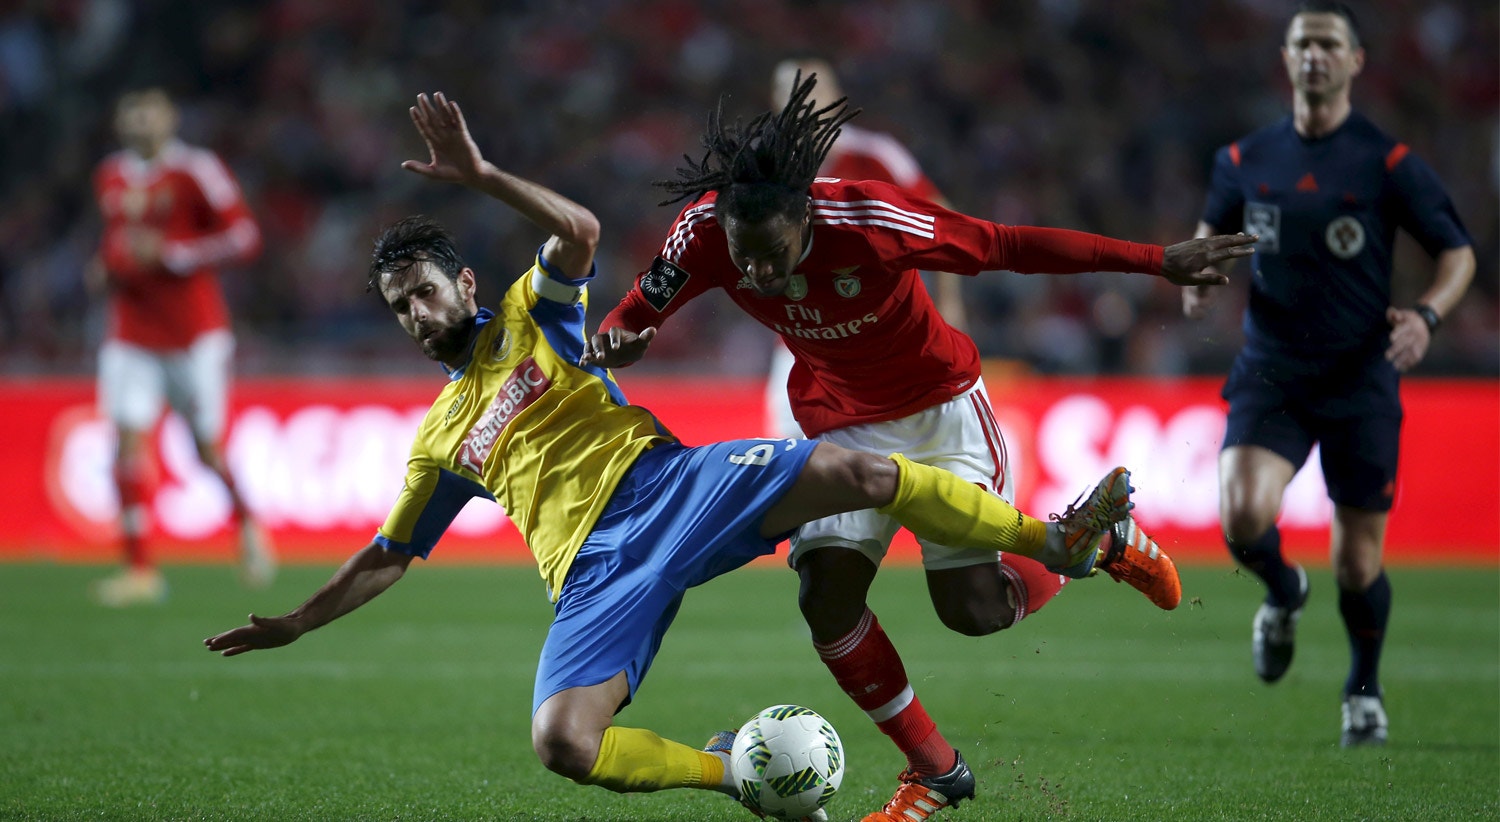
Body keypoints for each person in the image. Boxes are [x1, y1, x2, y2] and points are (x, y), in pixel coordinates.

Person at [204, 92, 1137, 819]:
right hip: (591, 575)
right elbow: (390, 554)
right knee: (562, 743)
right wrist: (295, 621)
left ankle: (1052, 541)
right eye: (399, 305)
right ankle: (732, 770)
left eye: (425, 292)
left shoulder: (535, 314)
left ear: (465, 284)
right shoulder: (437, 441)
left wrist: (483, 174)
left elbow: (580, 234)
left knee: (853, 471)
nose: (416, 314)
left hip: (667, 486)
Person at [584, 73, 1254, 821]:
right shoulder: (706, 231)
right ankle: (936, 772)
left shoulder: (872, 220)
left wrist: (1158, 261)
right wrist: (622, 335)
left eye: (773, 254)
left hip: (941, 417)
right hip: (838, 423)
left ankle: (1097, 544)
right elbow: (637, 307)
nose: (759, 274)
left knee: (971, 612)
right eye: (746, 257)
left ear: (805, 216)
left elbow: (1006, 245)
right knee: (825, 596)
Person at [1182, 1, 1475, 748]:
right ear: (1285, 58)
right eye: (1303, 42)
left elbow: (1458, 252)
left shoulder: (1387, 162)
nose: (1315, 54)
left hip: (1360, 378)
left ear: (1354, 61)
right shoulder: (1243, 159)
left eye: (1329, 43)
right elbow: (1209, 230)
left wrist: (1428, 317)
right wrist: (1196, 270)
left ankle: (1363, 690)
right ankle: (1284, 593)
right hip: (1272, 371)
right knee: (1242, 517)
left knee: (1358, 561)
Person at [89, 88, 274, 606]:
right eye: (131, 112)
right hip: (130, 331)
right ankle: (140, 569)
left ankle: (246, 521)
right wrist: (104, 264)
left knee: (206, 451)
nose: (139, 122)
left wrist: (174, 253)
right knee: (126, 442)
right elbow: (116, 237)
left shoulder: (197, 169)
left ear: (169, 119)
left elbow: (243, 236)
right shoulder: (110, 174)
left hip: (194, 334)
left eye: (148, 112)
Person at [763, 57, 966, 438]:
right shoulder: (763, 170)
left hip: (875, 337)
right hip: (799, 340)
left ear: (836, 97)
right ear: (777, 103)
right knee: (787, 455)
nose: (806, 103)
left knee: (879, 457)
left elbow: (942, 220)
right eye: (793, 93)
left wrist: (950, 304)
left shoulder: (876, 156)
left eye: (816, 90)